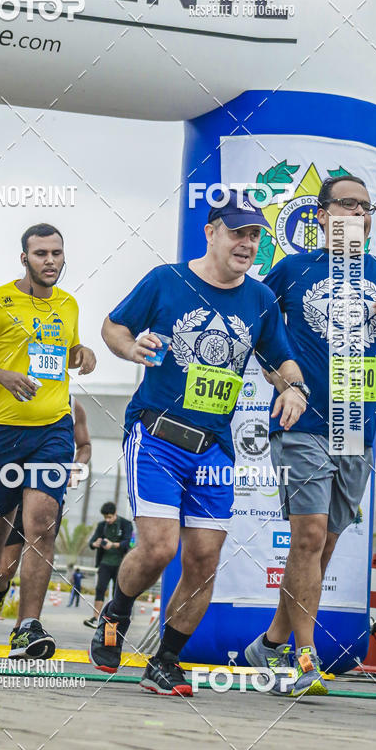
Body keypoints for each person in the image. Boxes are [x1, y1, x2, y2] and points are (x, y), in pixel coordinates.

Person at [90, 194, 306, 696]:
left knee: (205, 558)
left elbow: (280, 359)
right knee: (160, 547)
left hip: (214, 449)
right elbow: (113, 326)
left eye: (254, 235)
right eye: (237, 232)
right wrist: (130, 347)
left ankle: (165, 660)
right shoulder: (166, 280)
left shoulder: (260, 300)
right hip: (158, 435)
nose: (246, 243)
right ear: (211, 233)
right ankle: (116, 612)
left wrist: (293, 388)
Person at [245, 175, 376, 697]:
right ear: (321, 215)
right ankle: (304, 658)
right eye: (348, 204)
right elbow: (257, 332)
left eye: (366, 207)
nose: (359, 214)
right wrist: (283, 381)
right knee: (307, 536)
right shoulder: (293, 269)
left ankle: (270, 642)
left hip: (355, 428)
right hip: (302, 424)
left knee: (323, 543)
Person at [0, 224, 96, 659]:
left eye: (56, 253)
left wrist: (83, 352)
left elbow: (63, 353)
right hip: (0, 431)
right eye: (40, 253)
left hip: (53, 429)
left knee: (43, 523)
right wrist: (2, 375)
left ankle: (27, 628)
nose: (50, 261)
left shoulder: (68, 304)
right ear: (24, 259)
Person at [0, 397, 92, 641]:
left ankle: (24, 628)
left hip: (46, 487)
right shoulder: (15, 392)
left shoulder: (73, 405)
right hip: (13, 486)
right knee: (5, 569)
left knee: (39, 545)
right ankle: (0, 589)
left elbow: (85, 445)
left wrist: (76, 467)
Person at [83, 502, 132, 628]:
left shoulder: (126, 524)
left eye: (109, 517)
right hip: (105, 563)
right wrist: (95, 543)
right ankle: (95, 618)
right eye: (105, 517)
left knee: (118, 592)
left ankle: (115, 619)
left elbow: (128, 543)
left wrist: (113, 544)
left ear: (115, 513)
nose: (107, 520)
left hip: (121, 564)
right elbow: (92, 542)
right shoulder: (101, 526)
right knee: (100, 588)